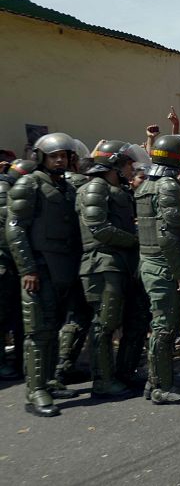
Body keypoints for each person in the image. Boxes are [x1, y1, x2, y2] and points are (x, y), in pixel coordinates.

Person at [6, 133, 82, 416]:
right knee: (38, 332)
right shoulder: (29, 184)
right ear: (41, 157)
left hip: (62, 269)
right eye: (54, 156)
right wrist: (27, 268)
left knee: (53, 328)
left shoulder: (65, 186)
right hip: (39, 269)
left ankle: (49, 381)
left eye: (63, 156)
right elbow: (15, 228)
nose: (59, 160)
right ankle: (35, 390)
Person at [76, 140, 149, 399]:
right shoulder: (95, 187)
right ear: (114, 164)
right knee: (105, 324)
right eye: (128, 164)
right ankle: (103, 380)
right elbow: (99, 228)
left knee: (136, 319)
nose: (132, 169)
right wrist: (137, 240)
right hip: (103, 263)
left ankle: (124, 372)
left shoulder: (120, 190)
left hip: (123, 263)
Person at [135, 135, 180, 405]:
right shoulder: (168, 187)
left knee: (161, 325)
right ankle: (162, 386)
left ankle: (155, 380)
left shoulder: (146, 185)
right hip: (165, 266)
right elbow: (168, 235)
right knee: (165, 327)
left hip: (151, 263)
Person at [0, 159, 37, 381]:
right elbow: (8, 231)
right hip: (5, 261)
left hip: (12, 261)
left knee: (15, 314)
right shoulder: (5, 190)